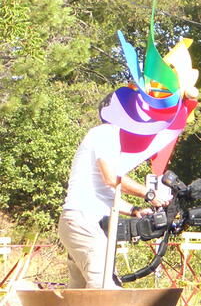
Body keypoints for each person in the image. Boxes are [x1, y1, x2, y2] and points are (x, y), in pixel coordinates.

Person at [55, 109, 152, 289]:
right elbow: (111, 178)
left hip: (79, 222)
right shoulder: (106, 133)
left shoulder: (105, 137)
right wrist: (148, 194)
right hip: (83, 222)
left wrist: (134, 210)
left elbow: (105, 194)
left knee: (79, 295)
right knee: (105, 288)